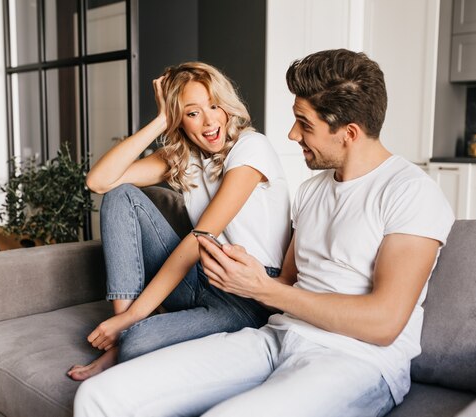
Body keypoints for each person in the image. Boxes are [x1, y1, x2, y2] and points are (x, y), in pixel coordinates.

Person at [73, 49, 455, 417]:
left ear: (349, 133)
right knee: (98, 396)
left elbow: (384, 324)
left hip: (355, 358)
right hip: (275, 338)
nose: (291, 134)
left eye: (304, 124)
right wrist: (247, 282)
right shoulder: (313, 190)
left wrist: (260, 287)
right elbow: (287, 284)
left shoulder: (410, 191)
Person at [67, 61, 291, 380]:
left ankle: (129, 332)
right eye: (192, 112)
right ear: (180, 120)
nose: (209, 120)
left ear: (227, 105)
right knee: (121, 195)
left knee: (138, 344)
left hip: (244, 295)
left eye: (214, 105)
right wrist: (160, 121)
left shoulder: (252, 148)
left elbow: (201, 237)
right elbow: (99, 182)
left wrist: (136, 320)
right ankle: (121, 332)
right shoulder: (185, 159)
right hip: (198, 278)